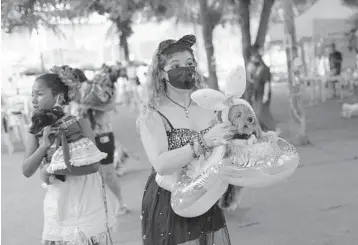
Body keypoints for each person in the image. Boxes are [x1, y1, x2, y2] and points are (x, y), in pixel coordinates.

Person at [137, 34, 238, 245]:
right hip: (171, 198)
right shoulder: (152, 114)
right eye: (175, 65)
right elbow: (161, 165)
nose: (185, 69)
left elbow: (223, 147)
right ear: (162, 74)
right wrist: (204, 141)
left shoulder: (210, 105)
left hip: (205, 194)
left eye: (189, 63)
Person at [22, 67, 116, 245]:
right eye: (32, 94)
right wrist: (43, 147)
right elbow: (26, 170)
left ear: (58, 96)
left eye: (39, 94)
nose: (33, 100)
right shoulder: (34, 129)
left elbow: (94, 165)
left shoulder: (80, 122)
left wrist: (51, 168)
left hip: (87, 198)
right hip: (58, 201)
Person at [79, 67, 130, 216]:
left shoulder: (96, 90)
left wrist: (89, 106)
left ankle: (120, 203)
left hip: (102, 135)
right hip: (83, 139)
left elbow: (110, 106)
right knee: (94, 175)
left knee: (108, 173)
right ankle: (101, 206)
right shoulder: (69, 97)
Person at [245, 48, 276, 132]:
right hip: (256, 94)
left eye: (253, 58)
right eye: (251, 58)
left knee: (263, 112)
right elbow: (252, 81)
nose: (252, 59)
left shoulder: (265, 69)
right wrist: (249, 72)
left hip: (263, 94)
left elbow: (267, 83)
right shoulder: (256, 69)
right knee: (256, 113)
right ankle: (263, 130)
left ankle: (273, 129)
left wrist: (265, 96)